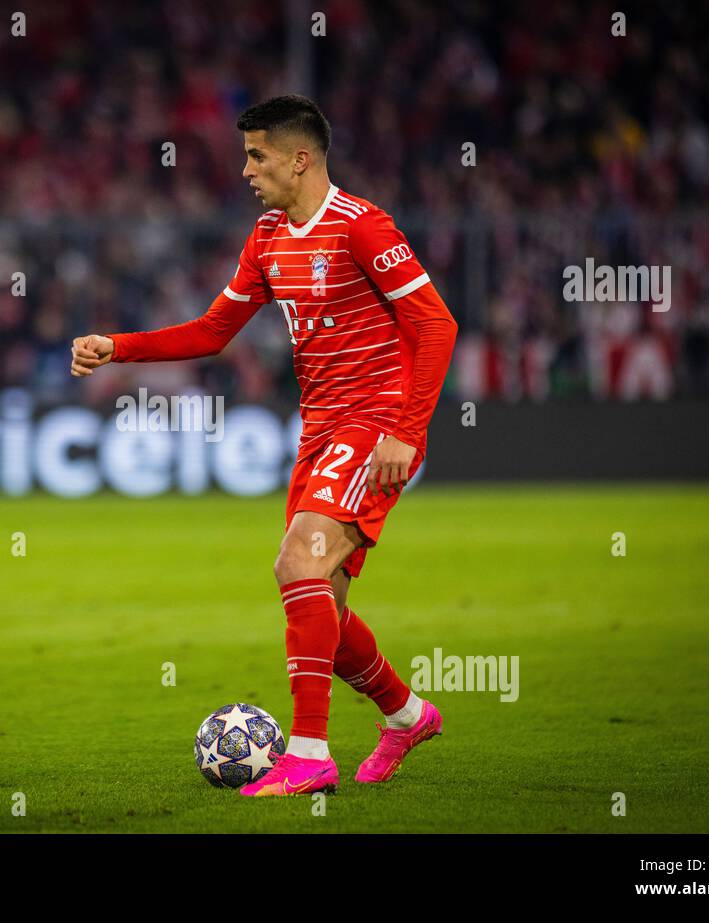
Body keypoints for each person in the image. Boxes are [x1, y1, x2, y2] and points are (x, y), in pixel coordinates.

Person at [71, 95, 458, 796]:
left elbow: (436, 324)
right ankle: (407, 714)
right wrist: (117, 346)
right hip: (318, 429)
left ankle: (309, 755)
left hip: (373, 425)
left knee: (296, 561)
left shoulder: (363, 228)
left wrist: (407, 429)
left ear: (299, 158)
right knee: (323, 611)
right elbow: (211, 332)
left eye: (257, 155)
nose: (246, 169)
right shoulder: (269, 237)